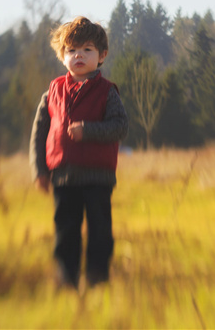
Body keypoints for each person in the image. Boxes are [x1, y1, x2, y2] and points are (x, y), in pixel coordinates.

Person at [29, 16, 128, 289]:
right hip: (63, 178)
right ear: (62, 57)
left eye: (86, 49)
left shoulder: (108, 93)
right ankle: (66, 282)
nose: (78, 56)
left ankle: (97, 281)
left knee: (100, 232)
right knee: (66, 232)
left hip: (98, 177)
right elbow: (39, 134)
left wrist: (89, 131)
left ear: (102, 55)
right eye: (71, 50)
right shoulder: (52, 92)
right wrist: (39, 170)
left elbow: (120, 127)